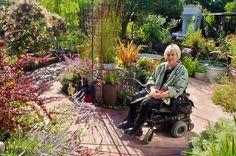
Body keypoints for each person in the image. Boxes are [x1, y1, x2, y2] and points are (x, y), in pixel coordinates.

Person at [117, 43, 189, 136]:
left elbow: (178, 88)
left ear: (177, 56)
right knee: (135, 97)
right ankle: (129, 121)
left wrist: (161, 95)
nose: (170, 57)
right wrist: (152, 89)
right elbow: (152, 78)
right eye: (168, 55)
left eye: (172, 55)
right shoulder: (162, 66)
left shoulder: (182, 71)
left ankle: (136, 129)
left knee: (146, 103)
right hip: (154, 91)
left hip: (166, 96)